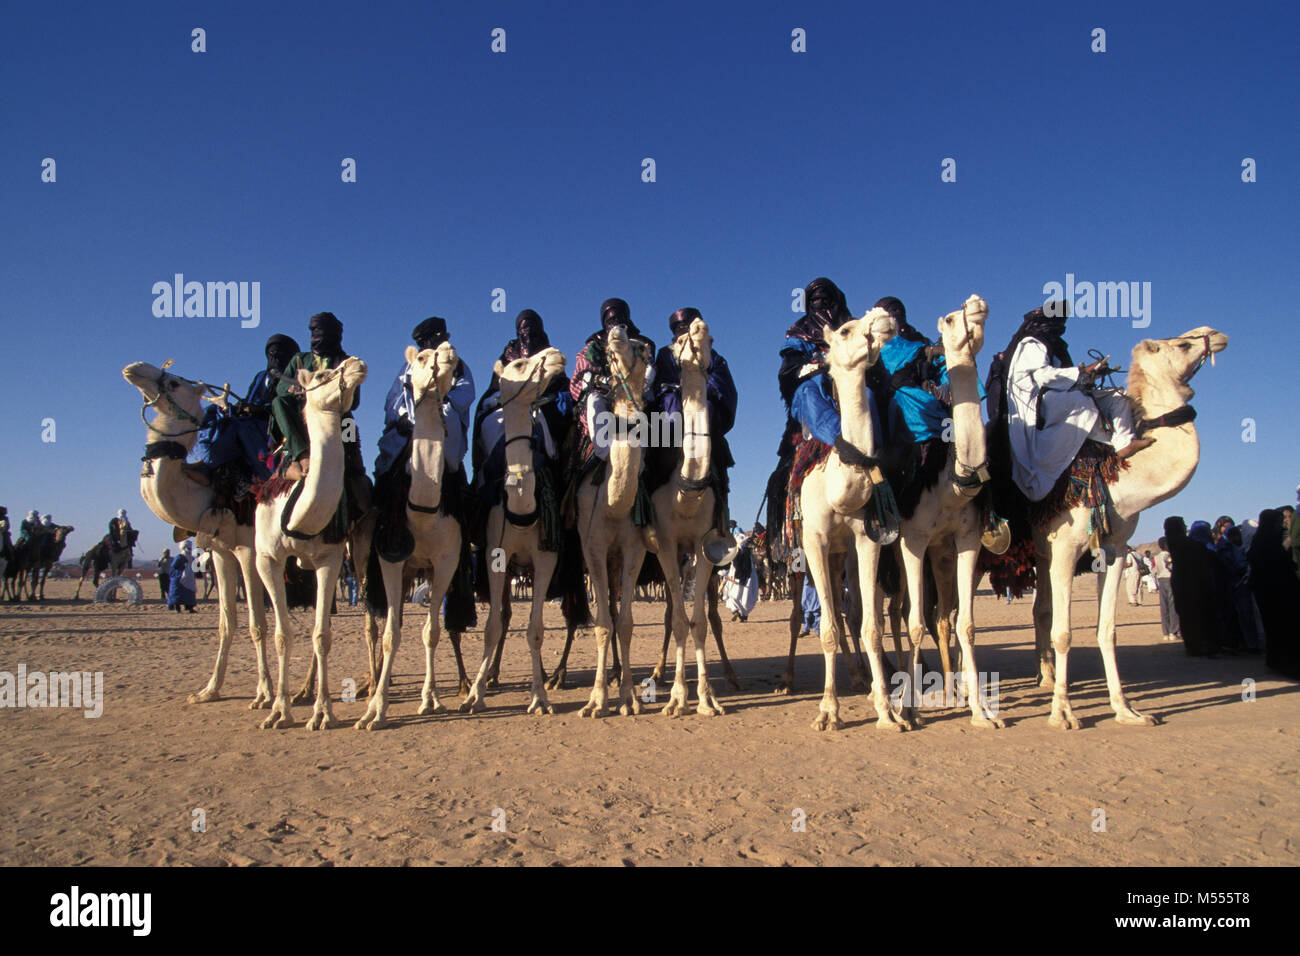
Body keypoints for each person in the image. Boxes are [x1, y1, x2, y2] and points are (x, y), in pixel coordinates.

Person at [999, 301, 1154, 504]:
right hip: (1038, 402)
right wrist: (1083, 371)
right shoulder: (1032, 342)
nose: (1062, 323)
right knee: (1081, 402)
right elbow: (1043, 377)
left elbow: (1066, 377)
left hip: (1060, 394)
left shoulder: (1055, 345)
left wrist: (1095, 374)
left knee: (1117, 396)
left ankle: (1124, 443)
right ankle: (1102, 438)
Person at [647, 307, 738, 529]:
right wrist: (676, 390)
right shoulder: (665, 354)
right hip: (670, 414)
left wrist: (702, 388)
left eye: (687, 327)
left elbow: (723, 385)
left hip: (702, 410)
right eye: (680, 328)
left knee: (716, 456)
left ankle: (720, 524)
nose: (684, 332)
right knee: (652, 457)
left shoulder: (713, 356)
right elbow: (658, 385)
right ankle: (648, 519)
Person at [375, 316, 476, 484]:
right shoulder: (410, 366)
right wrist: (403, 416)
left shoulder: (458, 365)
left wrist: (441, 403)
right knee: (389, 463)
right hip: (411, 420)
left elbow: (465, 392)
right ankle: (379, 498)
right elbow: (395, 397)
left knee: (453, 467)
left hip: (444, 417)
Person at [270, 312, 363, 484]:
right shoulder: (300, 359)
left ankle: (357, 477)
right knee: (279, 403)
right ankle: (301, 454)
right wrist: (294, 389)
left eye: (319, 330)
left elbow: (354, 401)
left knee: (349, 425)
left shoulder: (347, 363)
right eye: (312, 330)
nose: (314, 335)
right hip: (302, 414)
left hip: (336, 416)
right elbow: (281, 388)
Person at [197, 333, 300, 481]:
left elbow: (288, 406)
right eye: (271, 352)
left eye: (279, 351)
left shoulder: (293, 380)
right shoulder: (261, 376)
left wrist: (258, 409)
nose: (275, 355)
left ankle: (268, 474)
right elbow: (249, 398)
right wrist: (240, 407)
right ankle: (206, 465)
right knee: (212, 414)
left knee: (241, 428)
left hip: (272, 426)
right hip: (248, 419)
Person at [569, 298, 656, 462]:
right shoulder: (593, 347)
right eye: (610, 320)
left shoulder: (640, 344)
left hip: (633, 395)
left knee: (647, 416)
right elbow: (580, 376)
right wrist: (602, 380)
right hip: (604, 394)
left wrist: (641, 382)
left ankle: (641, 462)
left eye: (619, 319)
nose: (615, 324)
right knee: (594, 401)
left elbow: (650, 367)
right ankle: (603, 452)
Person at [1248, 509, 1300, 679]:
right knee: (1282, 627)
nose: (1281, 525)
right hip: (1275, 593)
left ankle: (1275, 660)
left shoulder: (1262, 542)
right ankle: (1285, 664)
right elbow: (1276, 565)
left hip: (1269, 591)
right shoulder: (1266, 543)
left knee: (1275, 628)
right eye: (1278, 522)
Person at [1166, 516, 1220, 656]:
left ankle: (1193, 645)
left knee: (1186, 614)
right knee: (1195, 613)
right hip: (1191, 582)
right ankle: (1199, 645)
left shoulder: (1174, 541)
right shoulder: (1184, 542)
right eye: (1183, 524)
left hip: (1182, 580)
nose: (1185, 526)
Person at [1153, 537, 1179, 640]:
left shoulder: (1156, 557)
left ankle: (1165, 632)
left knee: (1164, 607)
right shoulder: (1170, 556)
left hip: (1161, 580)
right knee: (1173, 606)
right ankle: (1173, 631)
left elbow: (1153, 571)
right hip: (1170, 579)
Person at [168, 541, 197, 613]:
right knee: (178, 594)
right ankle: (178, 608)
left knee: (189, 594)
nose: (189, 550)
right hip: (179, 578)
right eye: (188, 548)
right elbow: (174, 567)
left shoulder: (192, 558)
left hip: (189, 578)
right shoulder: (179, 557)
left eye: (190, 548)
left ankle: (190, 608)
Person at [800, 571, 821, 636]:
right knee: (806, 607)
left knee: (816, 608)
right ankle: (806, 629)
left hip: (817, 582)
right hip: (806, 584)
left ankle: (817, 629)